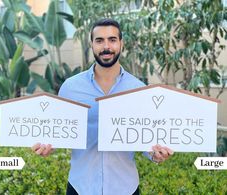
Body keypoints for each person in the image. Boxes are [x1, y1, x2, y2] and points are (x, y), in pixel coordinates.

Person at [32, 18, 173, 195]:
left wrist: (155, 154)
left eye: (112, 40)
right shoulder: (70, 87)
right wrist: (47, 146)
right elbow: (59, 133)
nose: (106, 46)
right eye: (99, 40)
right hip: (80, 186)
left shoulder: (139, 89)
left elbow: (146, 136)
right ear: (91, 44)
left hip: (125, 188)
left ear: (121, 43)